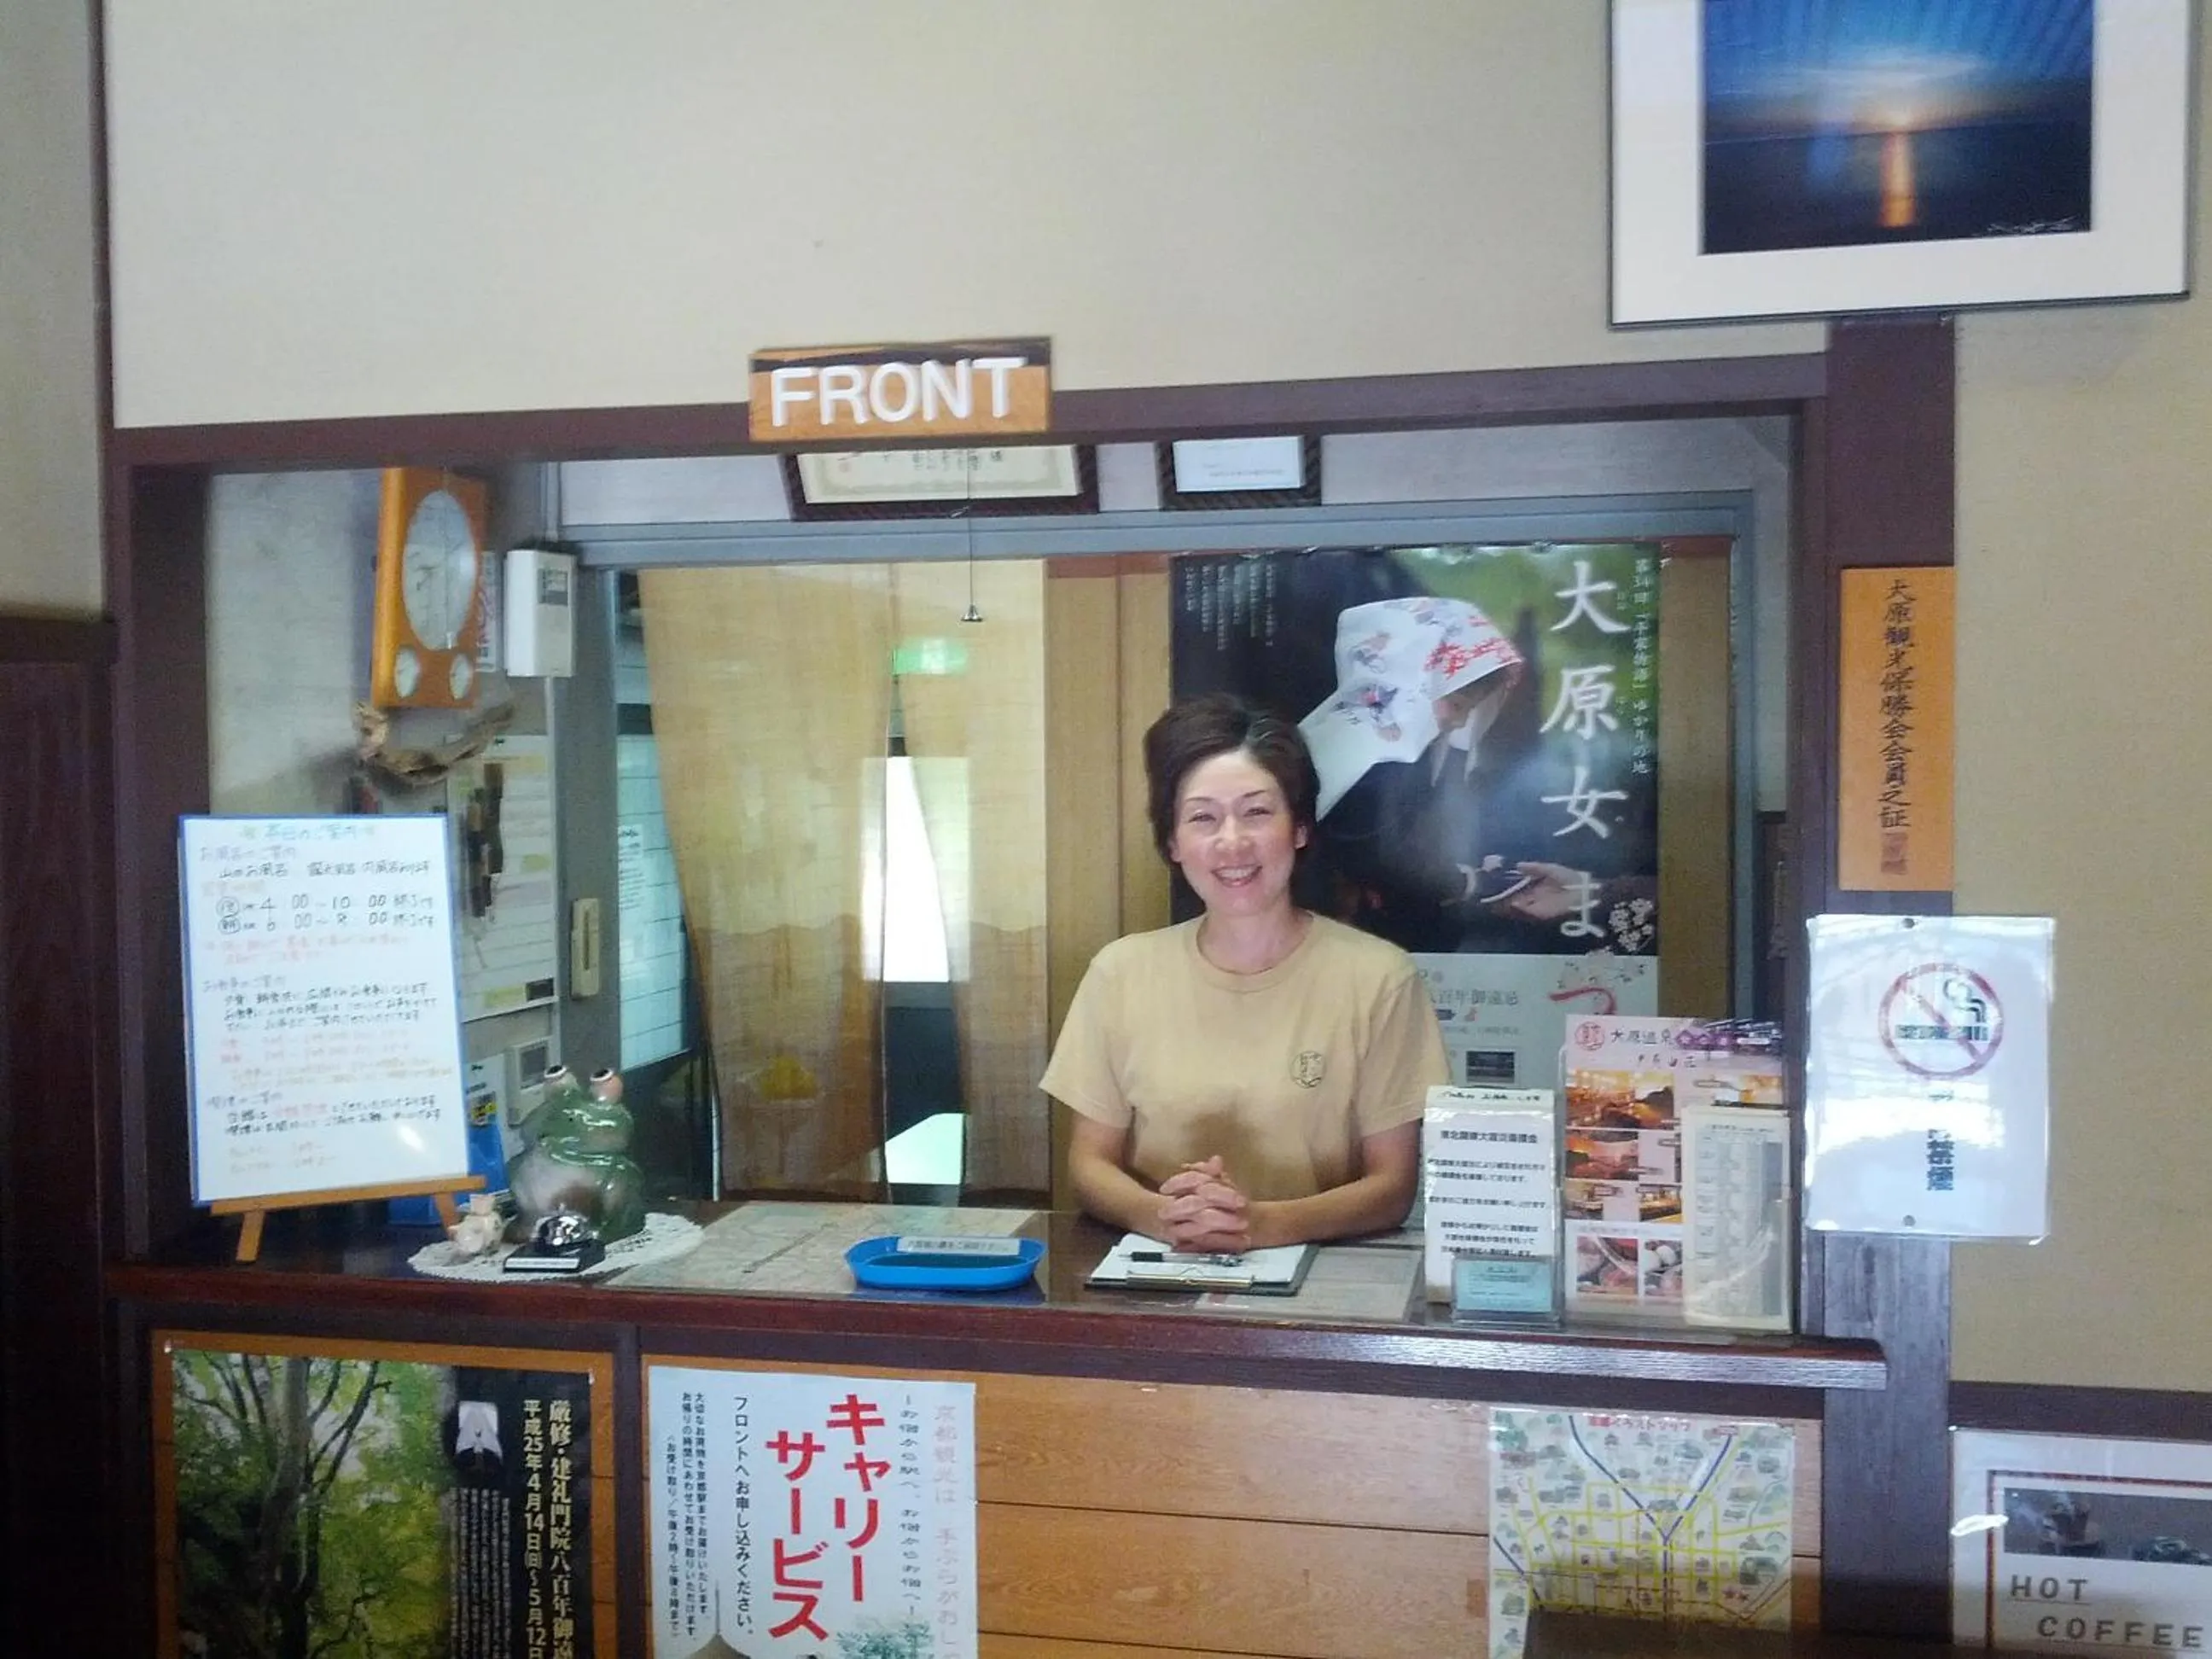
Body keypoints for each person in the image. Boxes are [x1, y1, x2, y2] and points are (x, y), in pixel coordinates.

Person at [1039, 692, 1449, 1254]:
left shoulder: (1380, 978)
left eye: (1257, 812)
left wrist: (1256, 1225)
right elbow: (1088, 1163)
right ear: (1172, 843)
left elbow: (1393, 1186)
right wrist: (1168, 1217)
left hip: (1322, 1296)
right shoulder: (1120, 973)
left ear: (1300, 828)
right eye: (1203, 818)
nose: (1232, 842)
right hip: (1153, 1282)